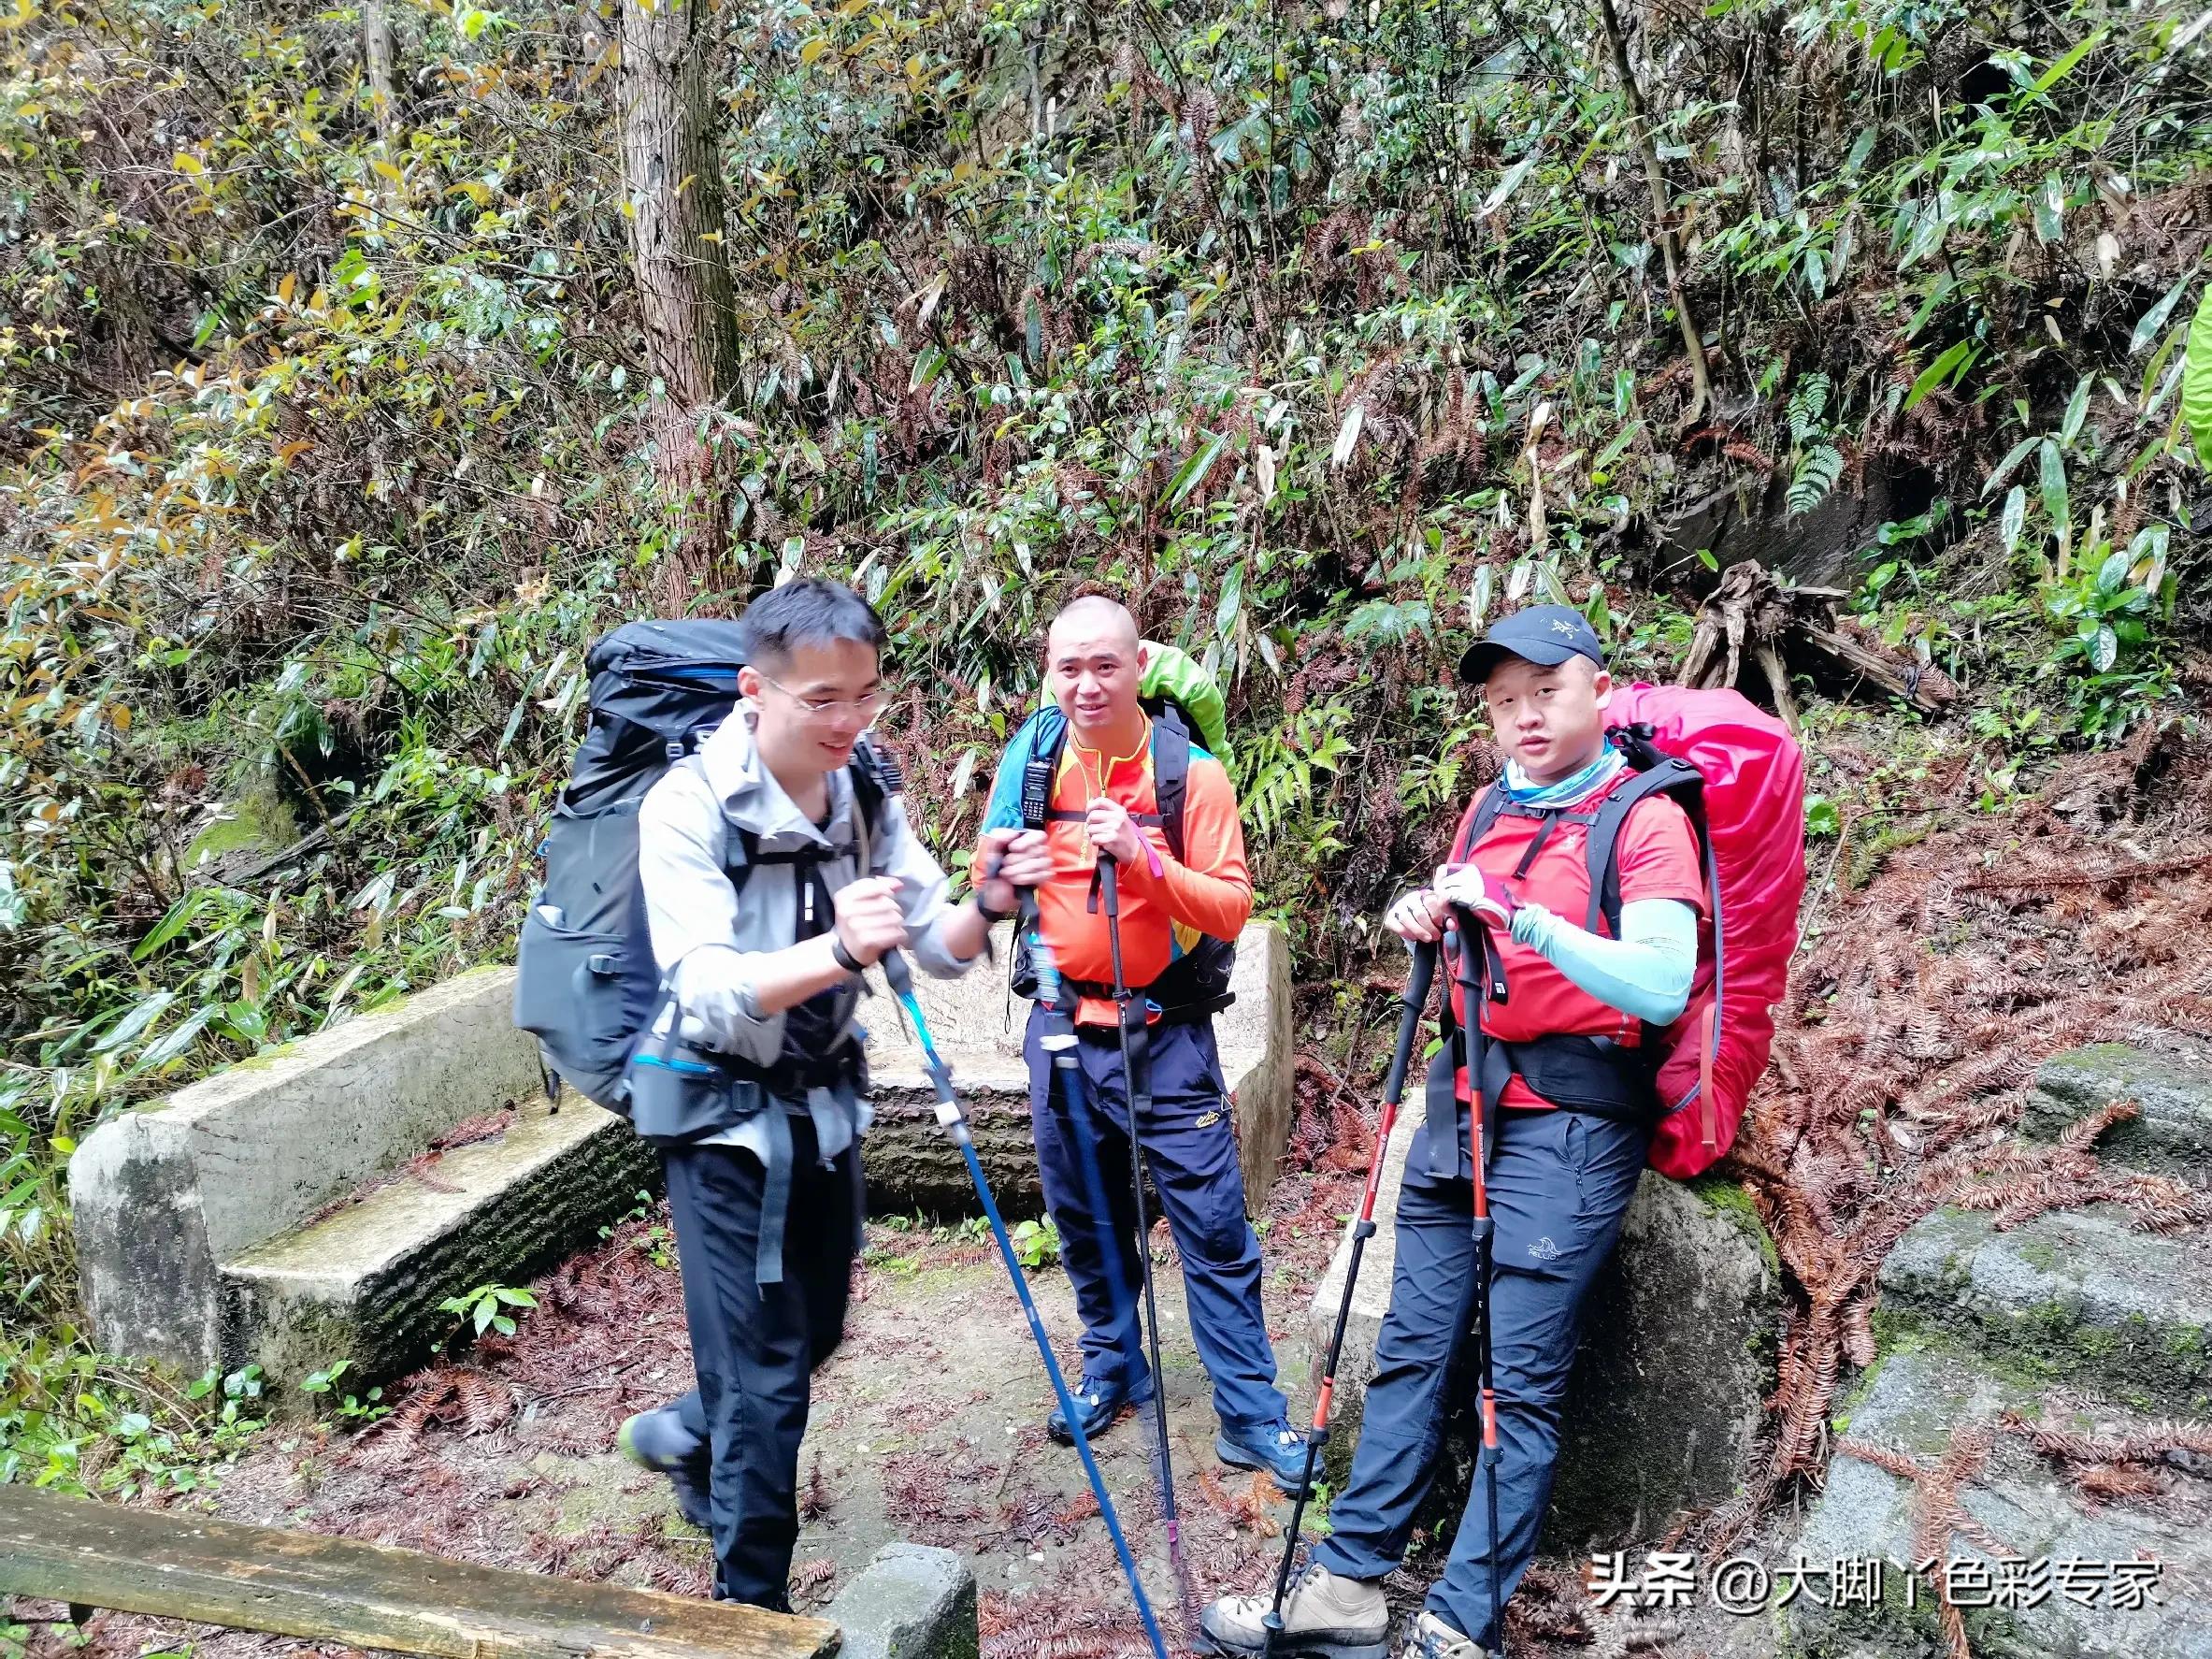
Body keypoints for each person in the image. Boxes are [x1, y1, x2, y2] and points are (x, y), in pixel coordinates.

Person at [1199, 604, 1706, 1659]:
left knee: (1516, 1383)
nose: (1521, 718)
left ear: (1598, 691)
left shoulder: (1643, 817)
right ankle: (1343, 1585)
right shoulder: (1488, 806)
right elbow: (1469, 909)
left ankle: (1460, 1615)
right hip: (1458, 1104)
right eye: (1502, 701)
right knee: (1410, 1351)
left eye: (1543, 692)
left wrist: (1521, 919)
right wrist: (1427, 911)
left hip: (1570, 1123)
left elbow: (1659, 982)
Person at [613, 578, 1052, 1610]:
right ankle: (749, 1608)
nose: (849, 720)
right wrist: (833, 948)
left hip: (823, 1105)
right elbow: (707, 989)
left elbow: (937, 946)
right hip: (719, 1116)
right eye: (822, 699)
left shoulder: (860, 790)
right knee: (768, 1376)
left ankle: (689, 1436)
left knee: (815, 1333)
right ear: (751, 690)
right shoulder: (686, 806)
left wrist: (988, 899)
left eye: (864, 694)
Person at [980, 594, 1310, 1492]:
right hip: (1059, 1028)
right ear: (1051, 670)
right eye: (1069, 667)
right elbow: (991, 876)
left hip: (1164, 1032)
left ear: (1137, 666)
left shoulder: (1189, 775)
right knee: (1086, 1217)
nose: (1086, 685)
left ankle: (1252, 1413)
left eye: (1105, 666)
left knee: (1210, 1226)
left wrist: (1143, 858)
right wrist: (1000, 874)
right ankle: (1114, 1367)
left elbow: (1232, 904)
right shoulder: (1035, 753)